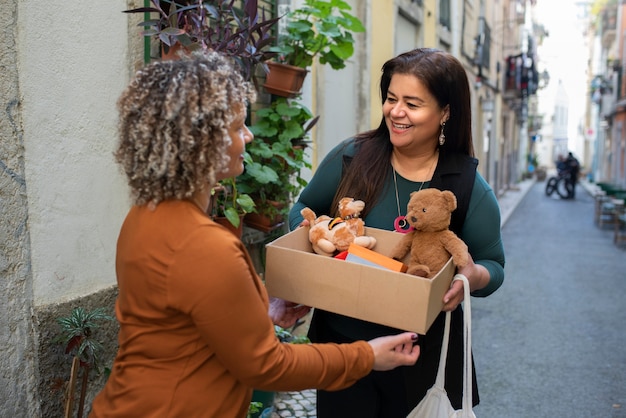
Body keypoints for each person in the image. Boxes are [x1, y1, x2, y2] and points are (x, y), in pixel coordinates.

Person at [88, 51, 421, 418]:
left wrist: (261, 311)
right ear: (202, 142)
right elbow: (268, 366)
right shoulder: (205, 245)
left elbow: (181, 323)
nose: (247, 135)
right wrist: (367, 356)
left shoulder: (142, 216)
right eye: (236, 127)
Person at [289, 47, 505, 417]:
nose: (396, 112)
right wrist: (319, 239)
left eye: (413, 103)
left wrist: (470, 276)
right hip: (345, 347)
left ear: (445, 113)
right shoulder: (353, 157)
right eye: (391, 99)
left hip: (419, 353)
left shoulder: (466, 186)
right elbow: (302, 210)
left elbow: (493, 265)